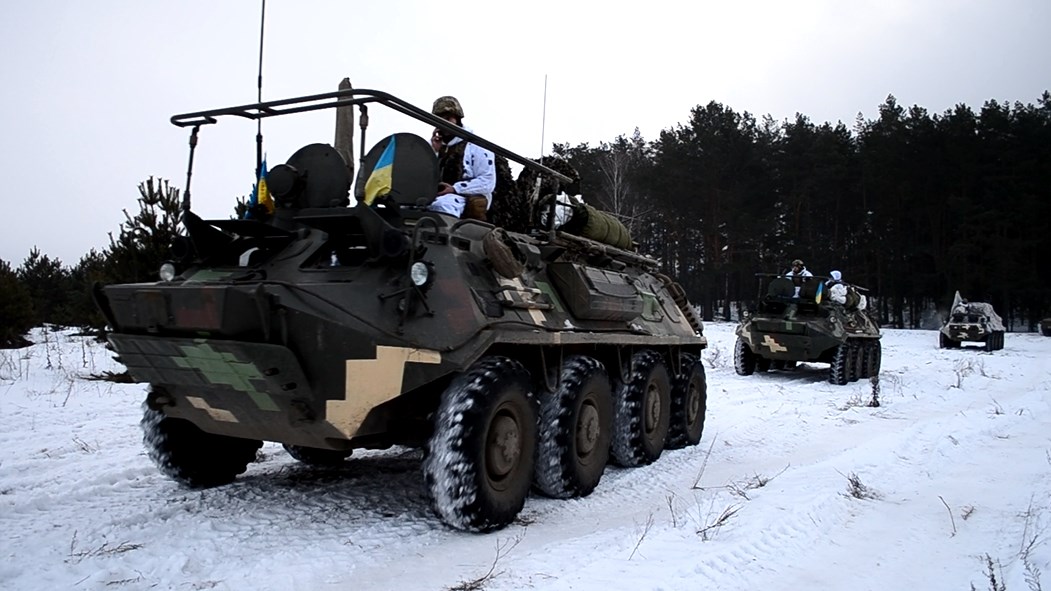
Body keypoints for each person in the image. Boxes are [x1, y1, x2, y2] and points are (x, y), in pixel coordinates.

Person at [427, 96, 497, 221]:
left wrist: (455, 188)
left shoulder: (477, 145)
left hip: (463, 197)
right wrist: (434, 152)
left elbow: (487, 181)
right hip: (432, 194)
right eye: (439, 120)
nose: (444, 124)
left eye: (448, 119)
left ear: (457, 119)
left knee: (442, 206)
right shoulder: (432, 145)